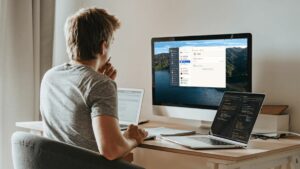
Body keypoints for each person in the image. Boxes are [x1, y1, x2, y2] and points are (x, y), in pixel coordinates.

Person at [40, 7, 148, 160]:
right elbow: (111, 150)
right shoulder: (100, 84)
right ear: (103, 46)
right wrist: (132, 138)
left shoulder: (50, 77)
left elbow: (77, 128)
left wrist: (99, 80)